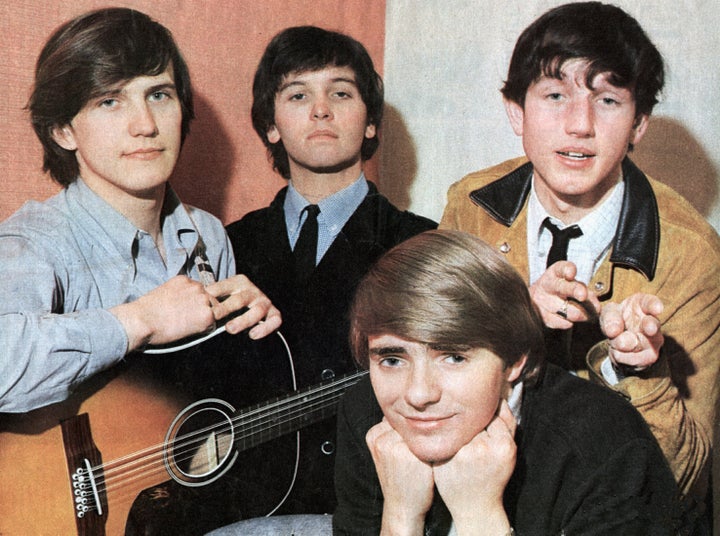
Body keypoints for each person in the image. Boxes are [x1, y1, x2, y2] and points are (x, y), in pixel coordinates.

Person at [439, 1, 720, 515]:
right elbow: (425, 392)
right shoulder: (471, 206)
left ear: (638, 125)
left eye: (608, 100)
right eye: (554, 96)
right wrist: (513, 319)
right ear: (516, 112)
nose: (579, 125)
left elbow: (684, 482)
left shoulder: (692, 253)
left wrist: (637, 369)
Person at [0, 8, 282, 423]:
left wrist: (254, 338)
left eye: (159, 95)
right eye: (110, 100)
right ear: (63, 131)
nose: (146, 124)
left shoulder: (208, 235)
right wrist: (143, 320)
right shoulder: (33, 242)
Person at [333, 229, 684, 535]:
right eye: (393, 360)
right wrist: (400, 517)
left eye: (454, 357)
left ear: (515, 360)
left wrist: (480, 516)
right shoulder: (367, 417)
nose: (419, 394)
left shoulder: (605, 442)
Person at [224, 26, 436, 515]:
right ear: (271, 125)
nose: (321, 109)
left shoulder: (423, 242)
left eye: (341, 92)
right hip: (249, 510)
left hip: (372, 505)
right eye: (298, 94)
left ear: (369, 124)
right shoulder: (229, 245)